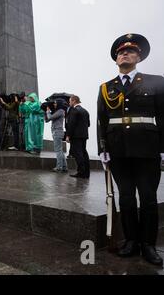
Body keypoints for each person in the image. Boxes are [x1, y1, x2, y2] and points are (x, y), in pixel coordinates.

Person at [97, 33, 164, 266]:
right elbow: (101, 121)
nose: (124, 53)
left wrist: (163, 149)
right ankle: (131, 241)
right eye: (120, 52)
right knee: (126, 198)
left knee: (147, 198)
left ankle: (148, 244)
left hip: (148, 148)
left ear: (139, 57)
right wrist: (102, 148)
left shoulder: (156, 82)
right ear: (116, 59)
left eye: (130, 51)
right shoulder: (106, 88)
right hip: (118, 150)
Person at [66, 96, 90, 178]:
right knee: (84, 153)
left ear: (74, 101)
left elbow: (71, 124)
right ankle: (86, 173)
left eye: (70, 101)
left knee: (78, 154)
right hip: (84, 135)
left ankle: (81, 172)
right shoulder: (85, 111)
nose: (69, 103)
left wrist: (68, 135)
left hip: (76, 136)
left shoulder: (74, 110)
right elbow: (88, 124)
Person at [45, 100, 68, 173]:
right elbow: (47, 120)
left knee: (58, 150)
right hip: (57, 132)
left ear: (59, 104)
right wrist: (46, 112)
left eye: (55, 103)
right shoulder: (58, 111)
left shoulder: (60, 111)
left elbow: (50, 117)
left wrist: (48, 111)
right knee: (60, 150)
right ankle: (64, 167)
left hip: (57, 132)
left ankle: (59, 167)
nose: (54, 104)